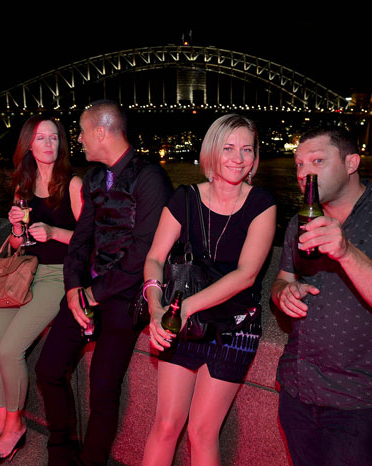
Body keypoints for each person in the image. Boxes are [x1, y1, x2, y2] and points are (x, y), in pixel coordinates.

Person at [270, 127, 372, 466]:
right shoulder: (298, 222)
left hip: (360, 400)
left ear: (351, 163)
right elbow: (282, 279)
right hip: (297, 390)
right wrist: (283, 293)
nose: (304, 173)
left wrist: (346, 252)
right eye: (299, 165)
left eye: (317, 161)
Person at [34, 100, 172, 466]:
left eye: (80, 131)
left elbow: (144, 251)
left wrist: (92, 294)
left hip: (124, 298)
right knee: (47, 370)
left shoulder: (150, 177)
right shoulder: (94, 178)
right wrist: (73, 289)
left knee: (103, 390)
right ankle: (61, 452)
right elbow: (82, 239)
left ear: (100, 131)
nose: (76, 139)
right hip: (88, 290)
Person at [141, 114, 276, 466]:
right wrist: (156, 304)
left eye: (247, 149)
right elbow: (155, 258)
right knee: (166, 425)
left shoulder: (262, 203)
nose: (239, 157)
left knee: (202, 432)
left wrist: (182, 308)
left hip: (234, 326)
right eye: (229, 147)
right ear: (212, 151)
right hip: (181, 322)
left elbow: (247, 275)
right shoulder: (184, 198)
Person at [0, 116, 83, 463]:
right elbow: (18, 244)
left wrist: (55, 232)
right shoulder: (23, 186)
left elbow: (90, 240)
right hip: (24, 271)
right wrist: (18, 231)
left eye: (53, 138)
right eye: (40, 138)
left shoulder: (73, 184)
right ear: (28, 145)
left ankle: (15, 427)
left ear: (61, 144)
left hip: (58, 275)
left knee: (10, 349)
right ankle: (2, 420)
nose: (48, 144)